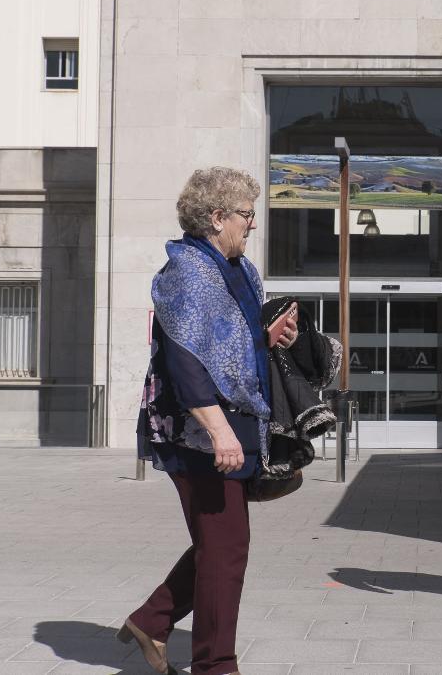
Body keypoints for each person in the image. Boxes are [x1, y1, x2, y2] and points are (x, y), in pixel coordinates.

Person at [120, 167, 298, 675]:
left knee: (220, 545)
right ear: (217, 217)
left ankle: (152, 621)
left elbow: (227, 346)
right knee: (225, 549)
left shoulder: (237, 269)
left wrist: (268, 337)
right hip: (195, 430)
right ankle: (215, 665)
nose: (252, 225)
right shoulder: (187, 273)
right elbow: (185, 360)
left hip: (235, 421)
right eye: (246, 215)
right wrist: (219, 430)